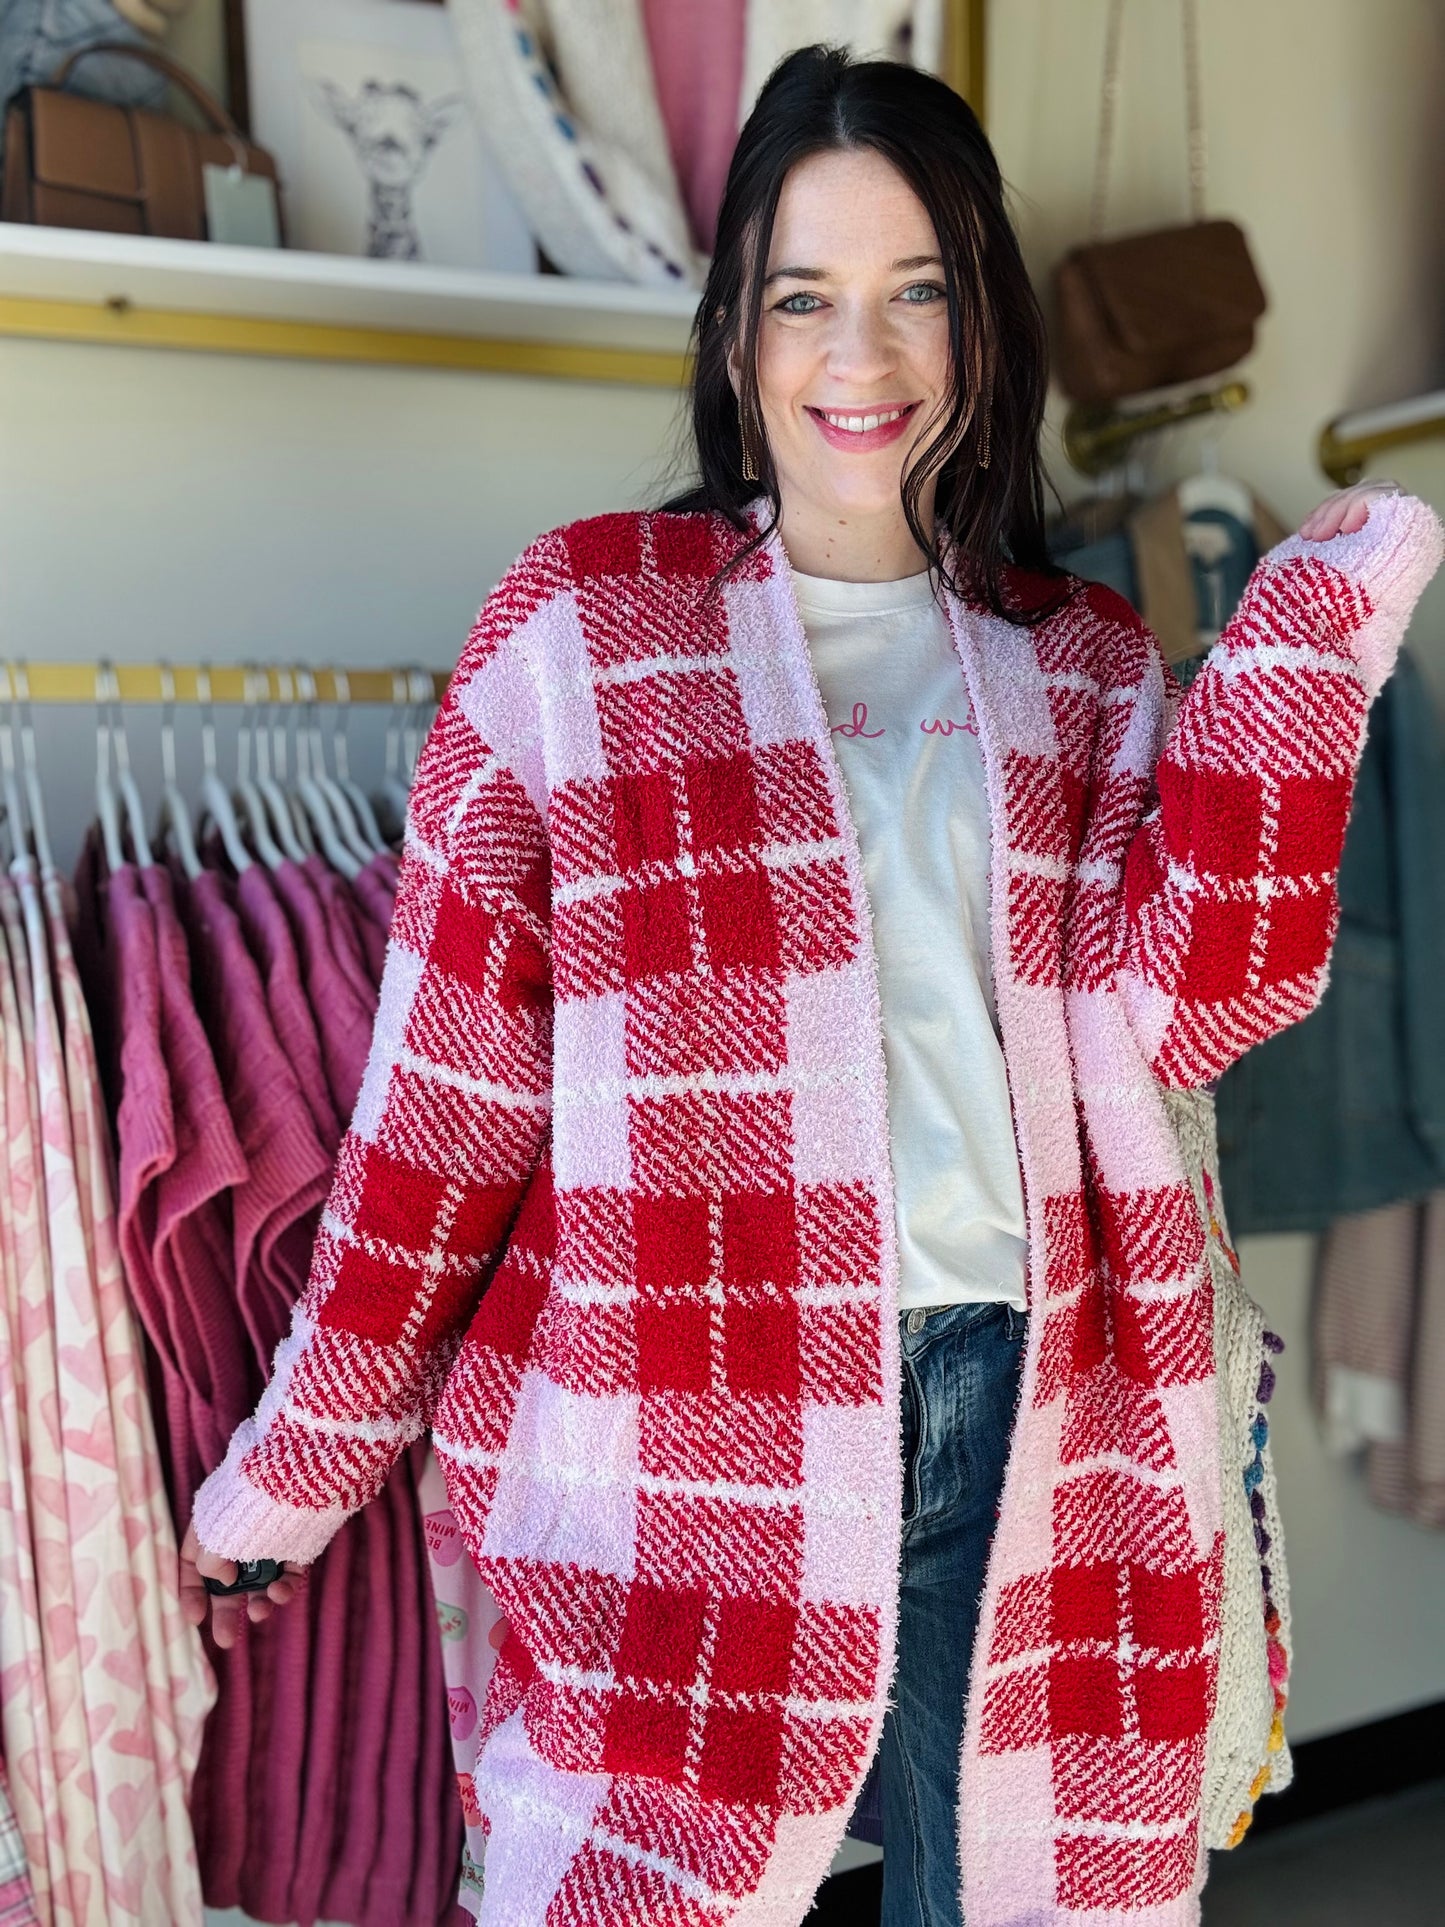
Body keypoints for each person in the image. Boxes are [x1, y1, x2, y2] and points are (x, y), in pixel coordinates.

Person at [179, 45, 1441, 1927]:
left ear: (980, 330)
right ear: (739, 330)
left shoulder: (1080, 659)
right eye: (806, 298)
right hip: (693, 1437)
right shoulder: (582, 633)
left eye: (917, 292)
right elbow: (440, 1115)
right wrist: (297, 1466)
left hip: (1035, 1419)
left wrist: (1299, 668)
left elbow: (1185, 1020)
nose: (862, 358)